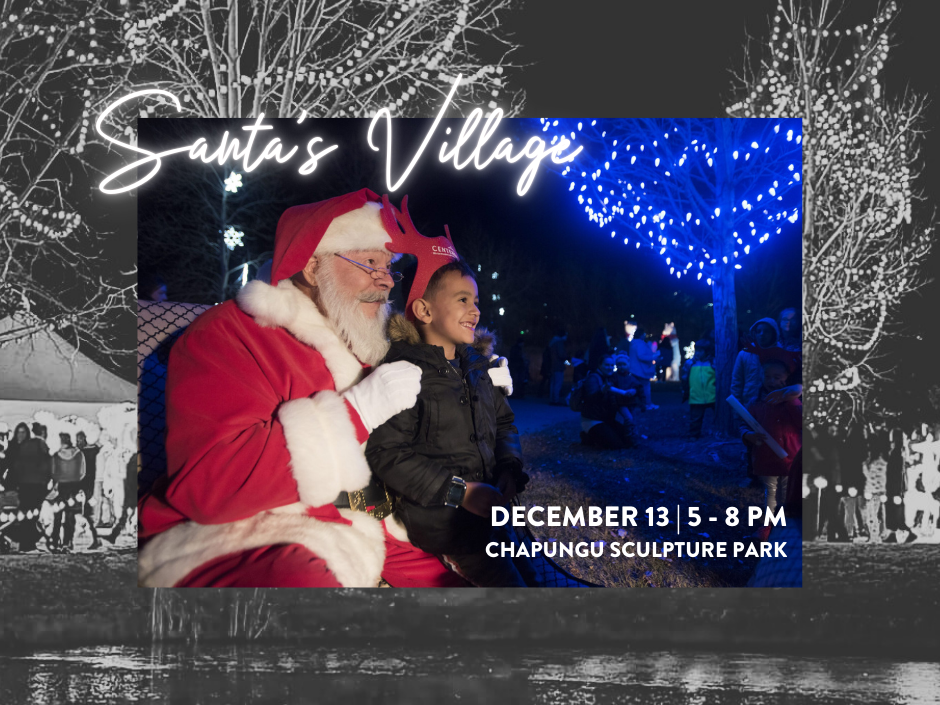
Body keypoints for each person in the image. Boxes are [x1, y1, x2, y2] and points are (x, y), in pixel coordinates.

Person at [138, 189, 505, 588]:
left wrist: (473, 380)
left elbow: (399, 464)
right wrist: (355, 415)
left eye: (388, 266)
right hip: (234, 540)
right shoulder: (228, 334)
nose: (385, 281)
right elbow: (207, 490)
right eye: (369, 262)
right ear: (313, 268)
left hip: (362, 529)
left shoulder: (367, 346)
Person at [366, 258, 531, 586]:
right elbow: (388, 454)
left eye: (476, 301)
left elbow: (503, 423)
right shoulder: (405, 374)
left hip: (491, 518)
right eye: (462, 300)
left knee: (530, 575)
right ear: (425, 311)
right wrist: (461, 492)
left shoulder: (478, 367)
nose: (475, 311)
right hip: (448, 528)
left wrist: (509, 467)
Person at [740, 360, 802, 540]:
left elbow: (801, 421)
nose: (772, 381)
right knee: (771, 493)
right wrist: (747, 435)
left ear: (786, 378)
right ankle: (768, 526)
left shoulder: (792, 402)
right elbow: (745, 423)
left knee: (787, 493)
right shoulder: (756, 402)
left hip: (789, 457)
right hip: (766, 457)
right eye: (768, 376)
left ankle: (785, 526)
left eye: (777, 377)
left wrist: (791, 399)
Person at [3, 423, 51, 552]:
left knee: (28, 515)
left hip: (26, 485)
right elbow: (7, 465)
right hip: (16, 486)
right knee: (21, 515)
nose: (21, 435)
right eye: (19, 432)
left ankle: (26, 543)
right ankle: (22, 543)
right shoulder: (15, 447)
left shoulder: (30, 446)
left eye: (23, 432)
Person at [580, 354, 639, 449]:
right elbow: (591, 398)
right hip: (593, 421)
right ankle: (588, 436)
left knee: (627, 440)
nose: (610, 368)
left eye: (612, 365)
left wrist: (633, 390)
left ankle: (599, 434)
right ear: (600, 365)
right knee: (616, 445)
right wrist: (602, 391)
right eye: (607, 365)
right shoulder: (593, 378)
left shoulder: (609, 378)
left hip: (606, 420)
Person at [50, 432, 86, 553]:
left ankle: (55, 541)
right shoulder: (78, 454)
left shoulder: (56, 455)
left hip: (61, 487)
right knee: (70, 516)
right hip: (74, 487)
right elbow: (83, 472)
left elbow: (53, 472)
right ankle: (67, 542)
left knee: (58, 514)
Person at [75, 430, 102, 550]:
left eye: (79, 439)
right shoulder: (90, 450)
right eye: (77, 440)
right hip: (83, 485)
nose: (78, 442)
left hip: (89, 485)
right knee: (84, 511)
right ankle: (94, 538)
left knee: (87, 512)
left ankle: (95, 539)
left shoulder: (90, 450)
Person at [685, 339, 716, 438]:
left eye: (700, 351)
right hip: (696, 395)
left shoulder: (712, 363)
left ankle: (717, 431)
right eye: (696, 351)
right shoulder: (690, 364)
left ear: (706, 351)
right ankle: (694, 435)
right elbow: (684, 378)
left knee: (719, 415)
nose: (698, 353)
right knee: (695, 418)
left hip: (712, 395)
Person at [628, 327, 657, 410]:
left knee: (637, 387)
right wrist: (653, 357)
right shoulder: (640, 343)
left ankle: (639, 404)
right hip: (641, 370)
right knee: (645, 387)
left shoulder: (633, 343)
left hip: (634, 369)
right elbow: (641, 356)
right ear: (641, 335)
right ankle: (648, 404)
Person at [548, 328, 569, 406]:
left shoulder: (552, 342)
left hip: (553, 366)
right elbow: (561, 354)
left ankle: (552, 399)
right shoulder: (559, 343)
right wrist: (567, 356)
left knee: (553, 383)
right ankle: (555, 400)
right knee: (558, 384)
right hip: (558, 366)